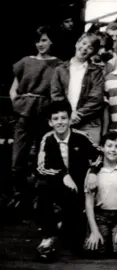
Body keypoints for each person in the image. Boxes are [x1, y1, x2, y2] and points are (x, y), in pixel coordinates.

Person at [36, 100, 102, 260]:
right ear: (50, 122)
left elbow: (99, 154)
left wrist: (93, 171)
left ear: (70, 119)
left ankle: (67, 225)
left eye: (64, 118)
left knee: (77, 245)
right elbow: (41, 167)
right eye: (56, 119)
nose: (60, 122)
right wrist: (63, 175)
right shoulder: (48, 139)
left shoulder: (81, 137)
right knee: (43, 186)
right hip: (57, 185)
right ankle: (48, 235)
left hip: (79, 189)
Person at [10, 26, 62, 214]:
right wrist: (17, 103)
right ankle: (19, 198)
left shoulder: (59, 65)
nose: (41, 44)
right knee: (18, 160)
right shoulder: (25, 62)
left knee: (44, 158)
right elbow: (13, 88)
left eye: (45, 40)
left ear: (52, 42)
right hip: (25, 113)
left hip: (44, 115)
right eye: (39, 40)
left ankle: (40, 201)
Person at [83, 132, 117, 258]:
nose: (113, 150)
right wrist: (94, 231)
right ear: (102, 148)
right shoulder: (93, 172)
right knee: (93, 251)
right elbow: (89, 204)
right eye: (109, 146)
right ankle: (104, 239)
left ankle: (114, 239)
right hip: (100, 216)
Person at [50, 32, 104, 145]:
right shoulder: (60, 70)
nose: (84, 48)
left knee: (90, 158)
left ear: (93, 52)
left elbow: (96, 99)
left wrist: (78, 114)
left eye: (90, 47)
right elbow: (56, 95)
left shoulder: (96, 72)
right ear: (76, 43)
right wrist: (69, 114)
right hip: (64, 121)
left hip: (89, 123)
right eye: (83, 43)